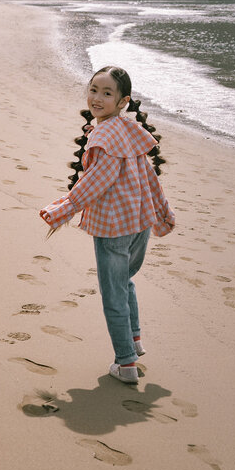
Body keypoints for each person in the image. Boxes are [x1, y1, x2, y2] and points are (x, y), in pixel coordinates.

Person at [39, 66, 174, 384]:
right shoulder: (127, 129)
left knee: (113, 294)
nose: (97, 98)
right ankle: (134, 341)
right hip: (139, 223)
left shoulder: (104, 135)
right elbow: (149, 177)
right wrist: (162, 212)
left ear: (123, 101)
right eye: (93, 90)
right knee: (124, 281)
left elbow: (97, 181)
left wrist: (64, 208)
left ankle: (126, 364)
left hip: (114, 228)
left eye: (107, 93)